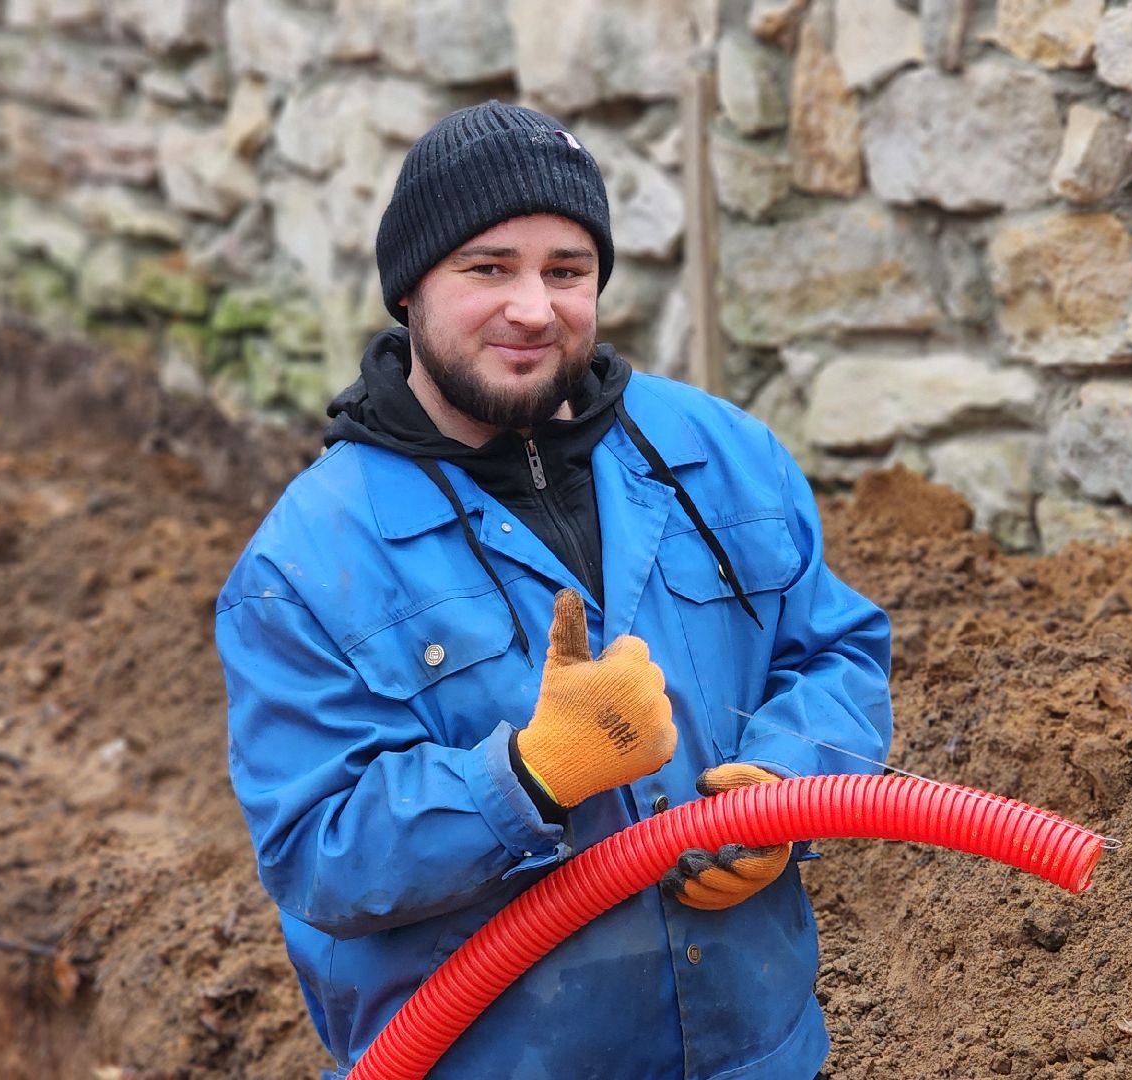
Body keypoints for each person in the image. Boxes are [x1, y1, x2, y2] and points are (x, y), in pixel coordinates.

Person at [214, 101, 892, 1080]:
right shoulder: (308, 562)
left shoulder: (720, 453)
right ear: (408, 290)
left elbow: (836, 652)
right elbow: (318, 854)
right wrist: (529, 777)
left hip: (758, 1057)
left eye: (566, 271)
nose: (533, 309)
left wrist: (784, 786)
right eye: (489, 268)